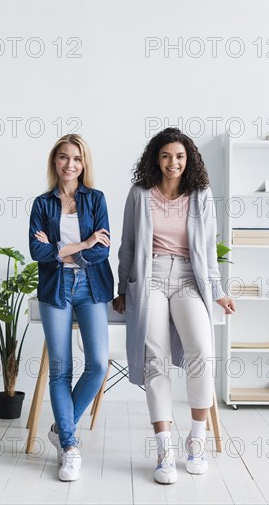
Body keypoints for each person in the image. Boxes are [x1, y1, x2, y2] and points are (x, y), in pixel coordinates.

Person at [113, 127, 235, 484]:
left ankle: (196, 440)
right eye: (166, 156)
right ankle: (164, 449)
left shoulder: (200, 195)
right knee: (156, 359)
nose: (173, 162)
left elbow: (208, 249)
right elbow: (128, 244)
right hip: (148, 277)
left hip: (187, 278)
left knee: (201, 350)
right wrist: (123, 288)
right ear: (156, 158)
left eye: (179, 156)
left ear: (189, 159)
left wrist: (217, 290)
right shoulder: (139, 194)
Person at [29, 134, 114, 482]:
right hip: (55, 288)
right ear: (55, 162)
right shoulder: (41, 204)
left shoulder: (96, 199)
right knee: (60, 370)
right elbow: (37, 253)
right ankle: (69, 445)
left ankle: (61, 427)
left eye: (76, 159)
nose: (70, 164)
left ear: (84, 164)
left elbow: (103, 250)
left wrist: (64, 250)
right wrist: (83, 242)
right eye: (64, 158)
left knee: (97, 364)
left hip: (91, 286)